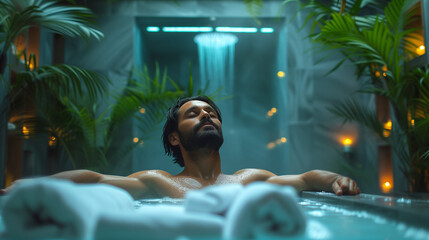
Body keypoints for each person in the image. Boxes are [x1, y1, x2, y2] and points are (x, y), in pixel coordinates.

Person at [1, 96, 360, 199]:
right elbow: (93, 180)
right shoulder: (159, 182)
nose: (207, 116)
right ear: (174, 137)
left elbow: (307, 178)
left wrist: (335, 180)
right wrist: (34, 186)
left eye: (212, 113)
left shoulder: (251, 180)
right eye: (194, 114)